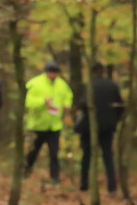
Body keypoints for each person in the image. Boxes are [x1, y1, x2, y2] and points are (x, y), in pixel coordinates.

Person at [75, 62, 125, 193]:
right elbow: (121, 106)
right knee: (107, 156)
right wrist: (114, 120)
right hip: (107, 126)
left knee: (87, 155)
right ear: (102, 72)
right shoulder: (112, 86)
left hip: (90, 127)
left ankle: (84, 184)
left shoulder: (90, 86)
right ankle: (112, 186)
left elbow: (82, 104)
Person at [24, 60, 73, 184]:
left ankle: (55, 178)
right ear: (46, 72)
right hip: (37, 126)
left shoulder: (61, 84)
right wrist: (43, 102)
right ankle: (25, 173)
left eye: (55, 73)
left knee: (54, 154)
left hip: (54, 126)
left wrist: (67, 104)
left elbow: (68, 95)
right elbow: (28, 103)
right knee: (33, 152)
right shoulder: (35, 84)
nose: (53, 75)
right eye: (51, 72)